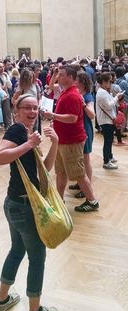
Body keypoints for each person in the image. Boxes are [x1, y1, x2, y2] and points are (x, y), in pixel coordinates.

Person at [0, 94, 59, 311]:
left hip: (15, 203)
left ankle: (2, 300)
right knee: (37, 258)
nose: (32, 111)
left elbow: (46, 169)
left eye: (35, 108)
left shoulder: (28, 132)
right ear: (17, 109)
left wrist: (55, 143)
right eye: (27, 108)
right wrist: (29, 144)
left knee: (17, 250)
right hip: (24, 206)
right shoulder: (17, 131)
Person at [44, 65, 99, 212]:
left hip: (71, 141)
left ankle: (92, 201)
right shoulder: (66, 92)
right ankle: (59, 199)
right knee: (60, 172)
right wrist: (54, 121)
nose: (59, 77)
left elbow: (72, 118)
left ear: (70, 77)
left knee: (79, 174)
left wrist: (53, 116)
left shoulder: (73, 95)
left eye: (61, 75)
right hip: (62, 140)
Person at [70, 71, 95, 198]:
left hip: (85, 130)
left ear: (82, 82)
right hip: (78, 129)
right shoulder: (77, 94)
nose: (74, 82)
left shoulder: (88, 96)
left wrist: (83, 103)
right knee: (79, 159)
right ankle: (81, 183)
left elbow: (91, 114)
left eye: (76, 80)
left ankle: (87, 187)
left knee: (85, 160)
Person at [96, 72, 124, 169]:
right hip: (106, 120)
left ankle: (110, 157)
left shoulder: (103, 91)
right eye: (109, 82)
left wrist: (114, 97)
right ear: (103, 82)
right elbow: (108, 106)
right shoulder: (102, 92)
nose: (110, 84)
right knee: (108, 141)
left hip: (107, 119)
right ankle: (106, 161)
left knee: (109, 139)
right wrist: (116, 97)